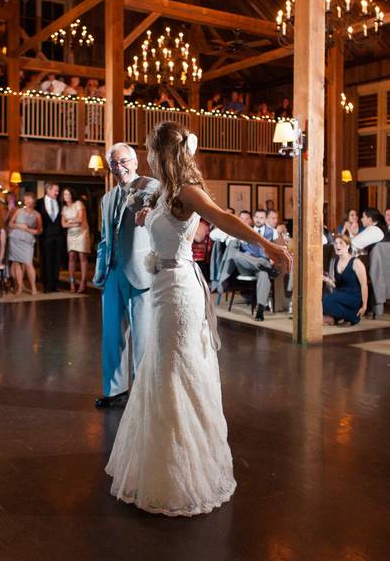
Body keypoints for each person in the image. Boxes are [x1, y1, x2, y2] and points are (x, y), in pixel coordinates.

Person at [105, 120, 290, 517]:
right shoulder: (167, 192)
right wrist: (144, 219)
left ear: (161, 152)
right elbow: (165, 224)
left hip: (181, 291)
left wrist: (267, 244)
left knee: (175, 370)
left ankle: (182, 472)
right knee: (158, 367)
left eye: (151, 151)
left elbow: (223, 218)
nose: (148, 158)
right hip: (162, 288)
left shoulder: (188, 190)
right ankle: (156, 461)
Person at [94, 144, 160, 408]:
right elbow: (104, 238)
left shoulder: (151, 186)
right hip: (112, 273)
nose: (118, 167)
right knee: (111, 334)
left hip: (142, 272)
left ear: (134, 161)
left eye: (122, 161)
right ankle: (115, 390)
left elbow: (154, 218)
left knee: (142, 337)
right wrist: (100, 270)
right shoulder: (107, 198)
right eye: (113, 163)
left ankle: (142, 394)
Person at [222, 208, 278, 321]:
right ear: (253, 218)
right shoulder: (245, 230)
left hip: (261, 265)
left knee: (263, 275)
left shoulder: (272, 232)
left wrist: (273, 259)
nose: (258, 220)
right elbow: (228, 242)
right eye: (256, 217)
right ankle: (266, 268)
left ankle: (260, 309)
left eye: (261, 217)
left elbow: (276, 250)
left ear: (265, 219)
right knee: (237, 256)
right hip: (246, 266)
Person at [323, 233, 368, 325]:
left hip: (353, 297)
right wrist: (327, 280)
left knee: (327, 299)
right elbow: (337, 285)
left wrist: (364, 306)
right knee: (323, 299)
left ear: (348, 246)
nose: (337, 245)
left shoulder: (356, 262)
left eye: (341, 243)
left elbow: (364, 285)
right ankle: (345, 317)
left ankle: (352, 317)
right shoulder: (335, 261)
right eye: (335, 243)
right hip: (340, 294)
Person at [8, 193, 41, 296]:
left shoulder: (37, 214)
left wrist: (29, 230)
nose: (27, 202)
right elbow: (10, 224)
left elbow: (39, 230)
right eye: (25, 200)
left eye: (29, 200)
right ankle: (19, 287)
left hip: (27, 240)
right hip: (15, 238)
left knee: (28, 263)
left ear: (33, 201)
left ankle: (33, 288)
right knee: (17, 263)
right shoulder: (18, 211)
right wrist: (19, 225)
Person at [61, 187, 90, 293]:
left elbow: (80, 220)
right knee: (71, 256)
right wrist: (73, 221)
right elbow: (63, 224)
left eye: (68, 194)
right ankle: (72, 282)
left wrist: (69, 221)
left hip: (82, 233)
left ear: (72, 195)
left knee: (82, 256)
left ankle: (83, 282)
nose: (66, 196)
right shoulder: (64, 209)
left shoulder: (79, 204)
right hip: (71, 234)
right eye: (64, 194)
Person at [39, 182, 65, 292]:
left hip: (58, 236)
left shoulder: (60, 202)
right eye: (56, 190)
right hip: (45, 237)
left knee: (56, 261)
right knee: (45, 261)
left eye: (58, 191)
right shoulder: (39, 202)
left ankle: (55, 284)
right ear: (48, 190)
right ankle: (46, 285)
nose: (57, 193)